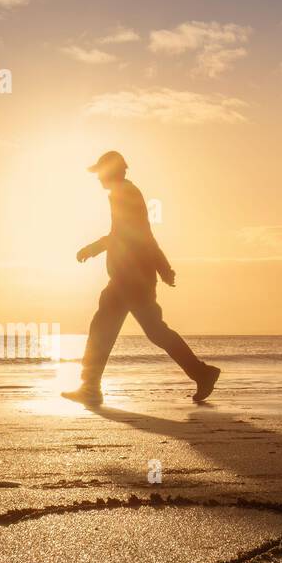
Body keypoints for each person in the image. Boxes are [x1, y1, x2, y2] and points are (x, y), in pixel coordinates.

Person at [62, 151, 220, 406]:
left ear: (112, 171)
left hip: (130, 279)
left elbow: (130, 235)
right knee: (139, 329)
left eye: (100, 173)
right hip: (133, 277)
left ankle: (91, 387)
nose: (98, 179)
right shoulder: (125, 193)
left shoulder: (124, 194)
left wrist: (93, 249)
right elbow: (143, 234)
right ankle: (202, 373)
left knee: (113, 328)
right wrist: (162, 268)